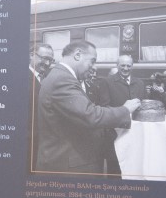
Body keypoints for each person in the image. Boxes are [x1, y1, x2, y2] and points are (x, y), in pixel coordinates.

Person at [37, 41, 140, 173]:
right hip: (68, 166)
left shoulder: (59, 75)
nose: (93, 67)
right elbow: (89, 114)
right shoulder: (62, 79)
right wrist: (125, 110)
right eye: (92, 61)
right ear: (78, 55)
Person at [102, 54, 146, 174]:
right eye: (122, 65)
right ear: (117, 65)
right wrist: (123, 111)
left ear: (132, 66)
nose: (125, 68)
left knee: (133, 164)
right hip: (115, 133)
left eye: (128, 66)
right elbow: (104, 107)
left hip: (135, 132)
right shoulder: (107, 82)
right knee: (115, 169)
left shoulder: (140, 83)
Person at [28, 43, 54, 168]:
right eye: (44, 58)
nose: (47, 63)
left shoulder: (47, 79)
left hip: (44, 144)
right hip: (28, 143)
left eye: (50, 60)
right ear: (31, 55)